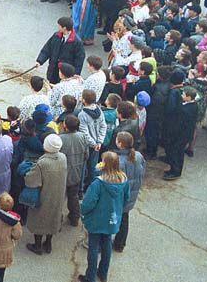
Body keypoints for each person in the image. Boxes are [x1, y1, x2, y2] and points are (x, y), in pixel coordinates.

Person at [78, 151, 130, 282]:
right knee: (107, 244)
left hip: (97, 219)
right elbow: (126, 199)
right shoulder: (124, 179)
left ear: (104, 164)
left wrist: (82, 211)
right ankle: (103, 273)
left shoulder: (98, 183)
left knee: (93, 247)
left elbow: (89, 202)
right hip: (112, 218)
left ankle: (90, 277)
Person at [24, 134, 68, 255]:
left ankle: (37, 245)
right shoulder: (63, 157)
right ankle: (48, 244)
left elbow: (31, 180)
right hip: (58, 194)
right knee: (54, 217)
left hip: (44, 195)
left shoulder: (43, 162)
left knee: (40, 218)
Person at [112, 131, 144, 253]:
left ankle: (106, 242)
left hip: (120, 196)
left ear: (120, 144)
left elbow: (114, 181)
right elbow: (142, 171)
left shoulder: (118, 161)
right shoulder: (138, 156)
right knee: (125, 218)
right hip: (132, 192)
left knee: (113, 217)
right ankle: (120, 244)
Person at [35, 17, 87, 84]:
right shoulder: (56, 36)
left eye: (59, 26)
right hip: (53, 69)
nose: (58, 27)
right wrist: (40, 61)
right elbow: (47, 49)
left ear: (64, 28)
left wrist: (76, 73)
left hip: (65, 72)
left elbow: (79, 59)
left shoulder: (77, 42)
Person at [59, 115, 89, 227]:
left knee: (59, 198)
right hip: (77, 171)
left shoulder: (60, 138)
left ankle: (57, 219)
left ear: (65, 125)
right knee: (73, 196)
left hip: (62, 172)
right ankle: (75, 217)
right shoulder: (82, 137)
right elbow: (86, 154)